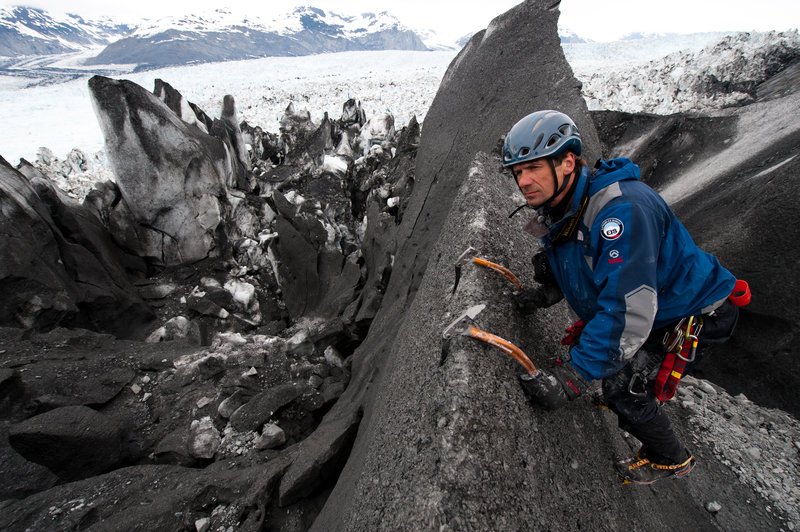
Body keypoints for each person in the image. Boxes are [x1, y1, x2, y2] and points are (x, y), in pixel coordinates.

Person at [502, 110, 742, 485]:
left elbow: (628, 311)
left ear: (567, 161)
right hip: (659, 303)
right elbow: (577, 260)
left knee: (623, 389)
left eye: (532, 167)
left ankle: (670, 458)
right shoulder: (565, 202)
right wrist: (549, 291)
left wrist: (573, 377)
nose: (524, 181)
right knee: (606, 355)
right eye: (518, 172)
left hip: (693, 311)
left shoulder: (620, 213)